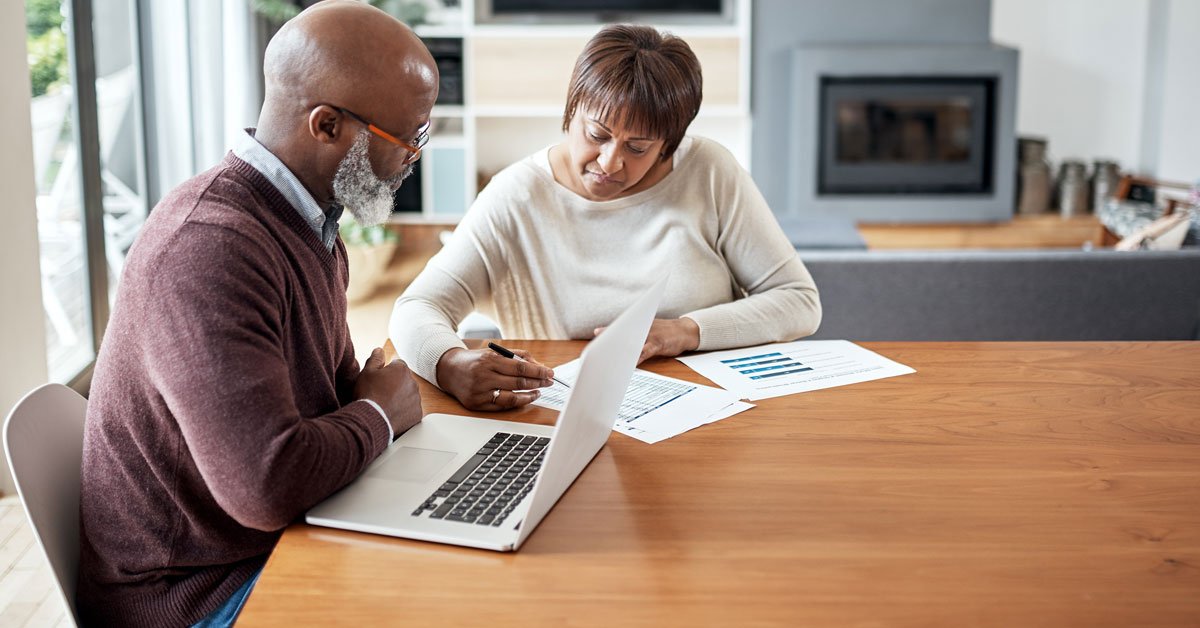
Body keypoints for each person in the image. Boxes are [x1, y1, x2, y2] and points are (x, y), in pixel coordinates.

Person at [76, 2, 437, 626]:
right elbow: (265, 486)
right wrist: (379, 414)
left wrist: (406, 388)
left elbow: (326, 399)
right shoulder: (209, 250)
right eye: (407, 139)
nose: (413, 158)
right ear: (326, 126)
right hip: (199, 595)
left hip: (264, 544)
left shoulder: (308, 220)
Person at [390, 24, 821, 412]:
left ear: (669, 145)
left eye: (638, 148)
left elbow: (799, 301)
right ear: (571, 110)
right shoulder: (516, 196)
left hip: (720, 410)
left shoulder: (709, 170)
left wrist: (685, 331)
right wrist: (450, 363)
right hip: (568, 416)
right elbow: (417, 306)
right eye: (597, 135)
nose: (610, 163)